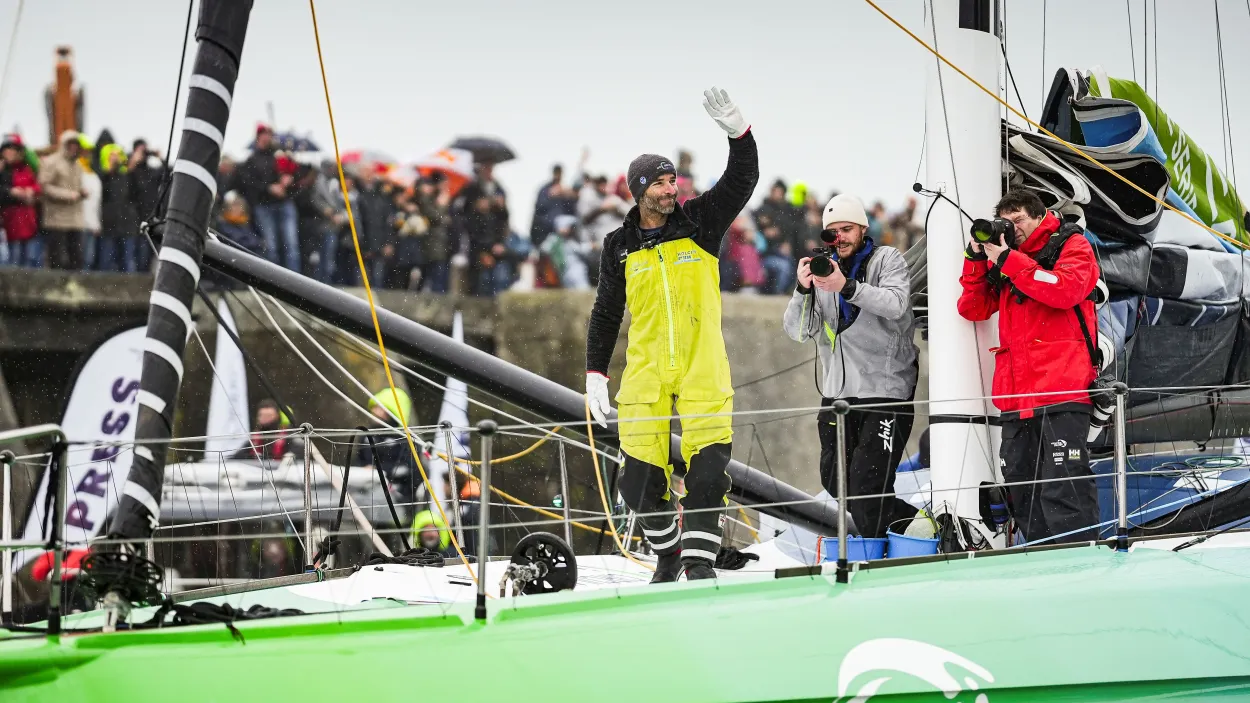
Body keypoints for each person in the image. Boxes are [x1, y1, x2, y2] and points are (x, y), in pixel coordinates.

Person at [584, 87, 758, 582]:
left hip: (703, 366)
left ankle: (700, 566)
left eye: (671, 180)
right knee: (635, 483)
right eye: (659, 183)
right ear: (638, 191)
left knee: (707, 476)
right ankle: (668, 552)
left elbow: (743, 179)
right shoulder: (617, 246)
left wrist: (739, 134)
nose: (670, 189)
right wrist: (596, 373)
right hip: (645, 370)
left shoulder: (699, 222)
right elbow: (605, 312)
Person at [957, 188, 1101, 543]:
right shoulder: (1009, 260)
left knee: (1063, 486)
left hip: (1062, 388)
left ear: (1039, 216)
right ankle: (1041, 562)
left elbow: (1066, 290)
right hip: (1018, 396)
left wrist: (1008, 260)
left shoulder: (1072, 245)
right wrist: (977, 259)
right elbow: (971, 307)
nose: (1013, 227)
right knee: (1022, 488)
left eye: (1018, 219)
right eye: (1007, 221)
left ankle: (1079, 562)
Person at [783, 193, 918, 539]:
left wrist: (849, 287)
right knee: (835, 481)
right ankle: (913, 529)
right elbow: (798, 332)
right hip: (838, 394)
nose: (839, 238)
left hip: (884, 391)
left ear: (862, 228)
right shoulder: (823, 270)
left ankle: (904, 540)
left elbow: (896, 303)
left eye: (847, 229)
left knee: (866, 484)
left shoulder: (886, 258)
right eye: (832, 232)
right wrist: (802, 290)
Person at [241, 125, 300, 271]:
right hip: (264, 205)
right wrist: (269, 188)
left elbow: (298, 175)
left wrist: (289, 179)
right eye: (264, 134)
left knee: (291, 244)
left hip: (284, 203)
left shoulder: (281, 155)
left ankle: (296, 282)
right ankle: (273, 280)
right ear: (258, 137)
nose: (267, 137)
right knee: (271, 246)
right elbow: (249, 183)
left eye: (269, 134)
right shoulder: (252, 160)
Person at [38, 130, 87, 270]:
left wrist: (81, 193)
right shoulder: (51, 162)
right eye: (70, 144)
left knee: (76, 259)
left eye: (76, 144)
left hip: (75, 219)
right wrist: (68, 195)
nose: (74, 147)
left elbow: (76, 187)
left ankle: (74, 288)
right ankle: (56, 289)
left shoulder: (78, 165)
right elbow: (44, 187)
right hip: (56, 219)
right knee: (57, 259)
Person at [97, 143, 139, 272]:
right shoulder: (102, 176)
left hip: (127, 225)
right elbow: (102, 194)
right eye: (112, 156)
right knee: (106, 260)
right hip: (109, 225)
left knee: (128, 260)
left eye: (117, 156)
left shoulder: (128, 176)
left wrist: (131, 168)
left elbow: (137, 193)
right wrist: (109, 171)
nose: (116, 159)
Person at [0, 136, 41, 267]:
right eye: (8, 149)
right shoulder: (3, 170)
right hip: (9, 220)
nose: (10, 152)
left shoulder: (25, 169)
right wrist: (11, 192)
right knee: (13, 258)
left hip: (27, 220)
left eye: (14, 149)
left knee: (28, 258)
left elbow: (36, 187)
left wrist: (30, 192)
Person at [231, 399, 305, 463]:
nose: (265, 418)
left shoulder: (288, 435)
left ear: (277, 416)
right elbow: (237, 456)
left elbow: (300, 450)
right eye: (262, 415)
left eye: (268, 416)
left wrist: (290, 457)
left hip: (282, 474)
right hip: (257, 474)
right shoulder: (254, 439)